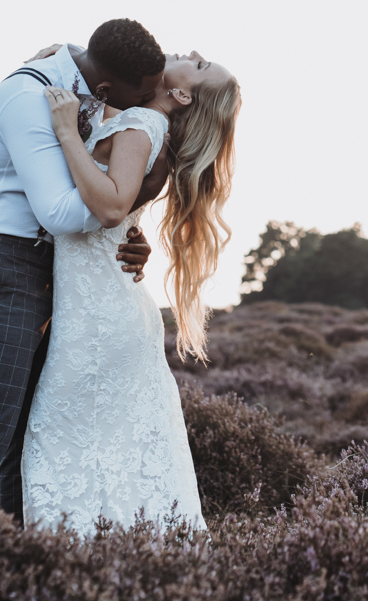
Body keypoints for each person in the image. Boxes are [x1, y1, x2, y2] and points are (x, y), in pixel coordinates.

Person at [0, 19, 170, 520]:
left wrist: (124, 232)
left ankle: (26, 564)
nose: (145, 105)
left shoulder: (81, 82)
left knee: (31, 438)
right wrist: (124, 204)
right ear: (106, 88)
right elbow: (60, 213)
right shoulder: (28, 100)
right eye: (141, 96)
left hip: (45, 273)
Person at [21, 50, 241, 533]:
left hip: (98, 317)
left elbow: (111, 206)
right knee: (115, 450)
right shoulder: (141, 123)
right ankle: (135, 564)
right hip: (107, 306)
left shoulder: (142, 123)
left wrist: (62, 129)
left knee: (65, 442)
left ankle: (85, 562)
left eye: (201, 67)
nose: (196, 54)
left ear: (182, 95)